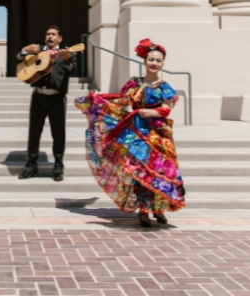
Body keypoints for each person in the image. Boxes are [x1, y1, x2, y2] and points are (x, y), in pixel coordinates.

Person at [74, 38, 186, 228]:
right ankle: (144, 210)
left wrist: (152, 111)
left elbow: (167, 108)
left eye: (158, 60)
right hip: (135, 132)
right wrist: (99, 100)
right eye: (151, 59)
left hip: (157, 134)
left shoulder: (164, 87)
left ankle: (158, 208)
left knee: (158, 171)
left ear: (163, 63)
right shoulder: (134, 84)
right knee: (140, 171)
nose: (154, 63)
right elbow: (122, 101)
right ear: (144, 60)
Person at [17, 25, 76, 181]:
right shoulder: (36, 50)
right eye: (48, 34)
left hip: (57, 98)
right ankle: (31, 166)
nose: (50, 36)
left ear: (60, 38)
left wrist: (67, 59)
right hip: (38, 97)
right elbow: (18, 59)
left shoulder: (67, 53)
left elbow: (73, 69)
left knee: (58, 134)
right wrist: (24, 50)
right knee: (34, 133)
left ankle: (57, 166)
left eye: (53, 34)